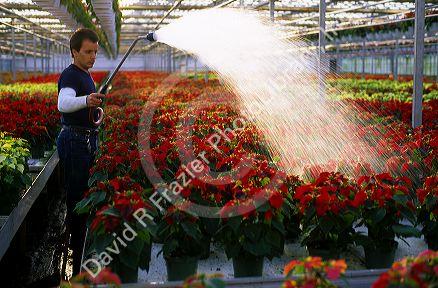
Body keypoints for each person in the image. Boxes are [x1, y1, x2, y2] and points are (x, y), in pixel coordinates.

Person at [56, 28, 105, 276]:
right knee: (76, 196)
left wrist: (92, 106)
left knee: (82, 192)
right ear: (74, 51)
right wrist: (87, 101)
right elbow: (63, 104)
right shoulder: (71, 75)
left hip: (84, 139)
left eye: (95, 52)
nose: (92, 56)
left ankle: (79, 245)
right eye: (87, 51)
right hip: (75, 141)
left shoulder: (85, 74)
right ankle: (76, 255)